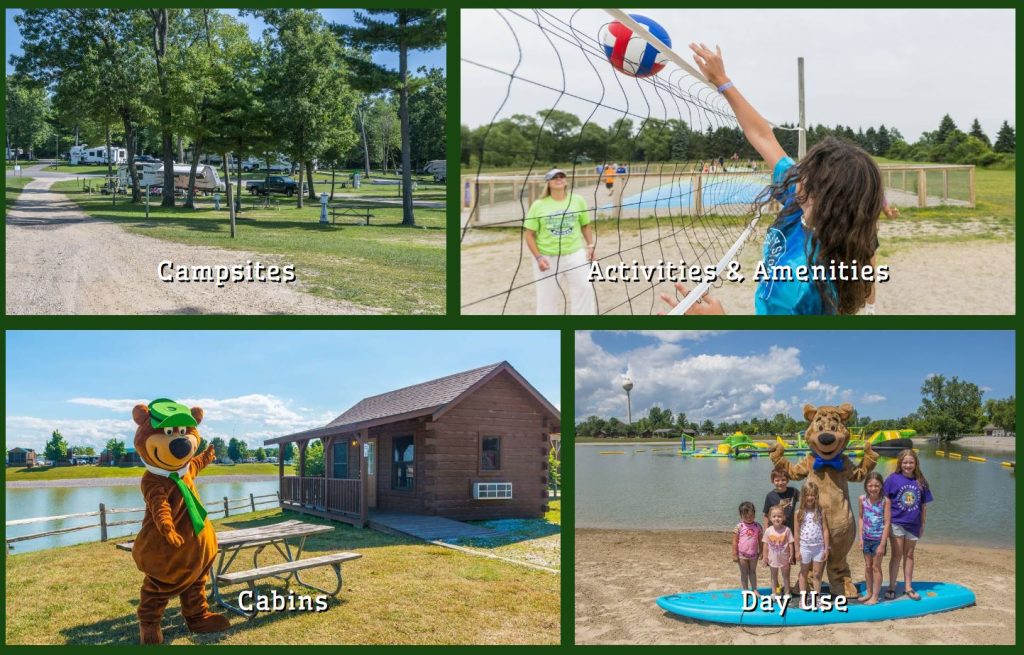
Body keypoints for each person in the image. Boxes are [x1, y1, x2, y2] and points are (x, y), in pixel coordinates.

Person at [661, 43, 886, 315]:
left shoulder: (797, 286)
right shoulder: (801, 197)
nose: (799, 169)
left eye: (809, 170)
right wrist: (722, 81)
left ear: (823, 197)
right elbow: (763, 136)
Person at [523, 168, 597, 315]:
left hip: (575, 254)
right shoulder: (539, 205)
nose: (559, 179)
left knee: (585, 288)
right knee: (547, 299)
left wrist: (590, 245)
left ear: (566, 181)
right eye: (554, 177)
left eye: (561, 176)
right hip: (547, 257)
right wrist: (538, 257)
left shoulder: (577, 200)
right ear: (548, 183)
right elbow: (529, 234)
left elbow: (585, 225)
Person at [883, 449, 933, 601]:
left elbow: (924, 505)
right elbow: (885, 502)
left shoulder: (921, 481)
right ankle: (892, 586)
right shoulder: (892, 479)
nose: (908, 465)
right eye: (905, 462)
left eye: (911, 462)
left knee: (909, 554)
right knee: (897, 555)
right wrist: (884, 523)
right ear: (900, 463)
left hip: (914, 524)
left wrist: (922, 524)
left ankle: (908, 586)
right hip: (896, 523)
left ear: (916, 463)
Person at [793, 481, 829, 604]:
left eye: (812, 495)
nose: (810, 497)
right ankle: (803, 598)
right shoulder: (798, 513)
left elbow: (825, 530)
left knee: (817, 573)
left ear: (816, 496)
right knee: (803, 572)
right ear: (803, 496)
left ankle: (816, 598)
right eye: (807, 495)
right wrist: (797, 550)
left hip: (819, 547)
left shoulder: (820, 511)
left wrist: (826, 548)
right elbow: (796, 533)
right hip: (804, 547)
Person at [764, 469, 799, 592]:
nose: (780, 482)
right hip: (774, 533)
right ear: (773, 481)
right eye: (777, 480)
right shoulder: (770, 496)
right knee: (774, 561)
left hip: (790, 531)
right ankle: (776, 586)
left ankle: (788, 587)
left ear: (788, 480)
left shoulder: (794, 492)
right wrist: (766, 530)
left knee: (788, 560)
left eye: (783, 480)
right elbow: (765, 514)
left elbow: (805, 501)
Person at [858, 472, 891, 605]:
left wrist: (883, 544)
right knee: (867, 566)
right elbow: (861, 518)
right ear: (866, 486)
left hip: (878, 540)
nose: (873, 488)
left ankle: (875, 596)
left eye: (876, 485)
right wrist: (860, 538)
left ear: (881, 486)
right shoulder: (862, 499)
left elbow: (887, 522)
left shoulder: (885, 501)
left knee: (876, 567)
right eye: (870, 485)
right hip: (866, 538)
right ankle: (869, 592)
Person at [762, 505, 795, 598]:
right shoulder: (768, 530)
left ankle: (787, 592)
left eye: (779, 516)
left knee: (786, 576)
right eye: (774, 516)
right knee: (774, 577)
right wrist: (765, 557)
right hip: (772, 558)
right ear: (770, 518)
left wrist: (791, 555)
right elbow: (765, 544)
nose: (777, 518)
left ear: (784, 517)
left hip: (784, 558)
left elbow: (790, 543)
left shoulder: (787, 530)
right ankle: (775, 592)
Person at [733, 501, 763, 594]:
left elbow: (760, 540)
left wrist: (761, 552)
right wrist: (734, 554)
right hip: (742, 555)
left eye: (751, 515)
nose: (749, 518)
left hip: (753, 554)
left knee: (753, 572)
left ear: (754, 514)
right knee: (744, 573)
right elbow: (735, 541)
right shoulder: (739, 527)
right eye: (746, 516)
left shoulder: (757, 526)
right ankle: (745, 590)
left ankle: (754, 589)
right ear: (741, 515)